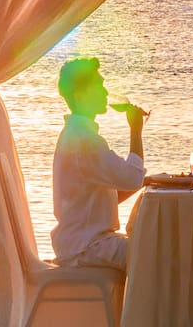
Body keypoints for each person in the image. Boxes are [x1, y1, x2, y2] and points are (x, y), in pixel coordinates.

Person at [50, 56, 148, 270]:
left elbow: (95, 199)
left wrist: (146, 182)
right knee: (158, 252)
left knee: (155, 245)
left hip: (79, 242)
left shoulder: (75, 133)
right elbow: (132, 177)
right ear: (80, 95)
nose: (105, 92)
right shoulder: (85, 140)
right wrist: (135, 130)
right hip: (87, 247)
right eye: (99, 86)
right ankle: (153, 294)